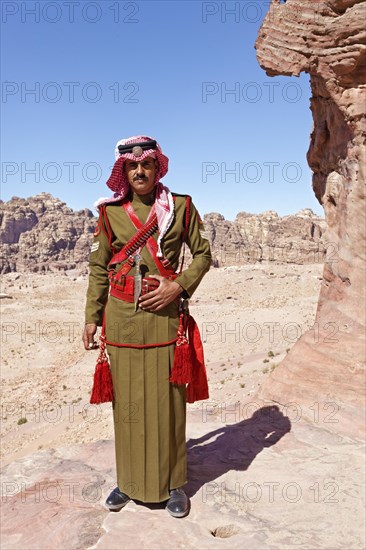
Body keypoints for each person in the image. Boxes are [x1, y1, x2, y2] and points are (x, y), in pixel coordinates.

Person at [82, 135, 212, 517]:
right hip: (121, 323)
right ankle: (128, 482)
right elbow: (98, 268)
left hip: (164, 322)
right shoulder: (110, 213)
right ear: (123, 171)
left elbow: (203, 253)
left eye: (147, 165)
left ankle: (174, 484)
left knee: (167, 405)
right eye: (132, 167)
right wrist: (92, 317)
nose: (140, 171)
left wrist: (179, 285)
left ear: (158, 167)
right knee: (129, 407)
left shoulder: (182, 208)